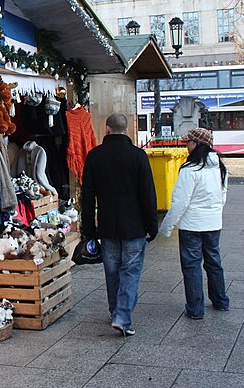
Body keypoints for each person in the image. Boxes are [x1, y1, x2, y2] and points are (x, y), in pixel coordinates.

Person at [81, 113, 158, 337]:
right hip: (134, 226)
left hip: (107, 225)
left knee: (112, 271)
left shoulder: (95, 157)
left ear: (107, 129)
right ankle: (122, 317)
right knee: (130, 271)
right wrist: (152, 226)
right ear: (126, 130)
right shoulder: (138, 156)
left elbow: (88, 196)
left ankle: (115, 311)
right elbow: (148, 195)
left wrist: (88, 230)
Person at [159, 127, 230, 320]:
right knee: (214, 263)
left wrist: (166, 228)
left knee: (191, 266)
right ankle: (221, 301)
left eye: (188, 142)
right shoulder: (220, 167)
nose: (186, 145)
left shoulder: (190, 169)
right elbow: (222, 196)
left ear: (197, 144)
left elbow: (180, 202)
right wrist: (213, 213)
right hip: (213, 224)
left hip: (191, 226)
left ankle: (195, 309)